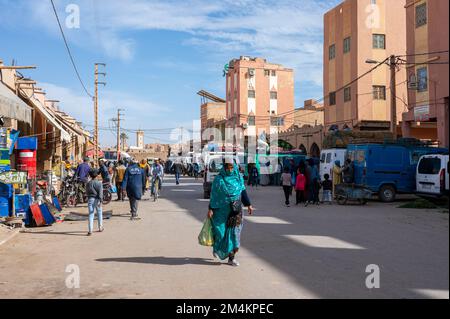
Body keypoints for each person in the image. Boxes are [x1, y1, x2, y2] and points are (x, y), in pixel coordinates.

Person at [207, 157, 253, 267]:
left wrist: (248, 204)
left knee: (234, 234)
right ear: (224, 167)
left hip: (236, 211)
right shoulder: (219, 180)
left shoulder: (238, 177)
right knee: (221, 233)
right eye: (228, 167)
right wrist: (211, 209)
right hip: (221, 212)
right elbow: (214, 196)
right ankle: (218, 248)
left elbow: (243, 191)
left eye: (232, 167)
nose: (230, 170)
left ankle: (231, 258)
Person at [86, 169, 104, 236]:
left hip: (90, 199)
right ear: (96, 176)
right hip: (97, 199)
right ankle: (100, 227)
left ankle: (90, 230)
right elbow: (100, 193)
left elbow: (87, 192)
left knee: (91, 214)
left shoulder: (88, 183)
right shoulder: (99, 183)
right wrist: (101, 201)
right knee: (99, 213)